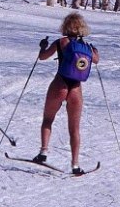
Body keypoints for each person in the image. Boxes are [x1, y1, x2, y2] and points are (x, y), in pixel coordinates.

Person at [34, 12, 100, 176]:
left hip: (60, 83)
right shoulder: (88, 47)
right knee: (74, 129)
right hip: (76, 88)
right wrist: (94, 51)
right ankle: (75, 165)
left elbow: (42, 57)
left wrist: (42, 46)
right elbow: (97, 60)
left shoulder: (61, 42)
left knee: (48, 119)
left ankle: (43, 152)